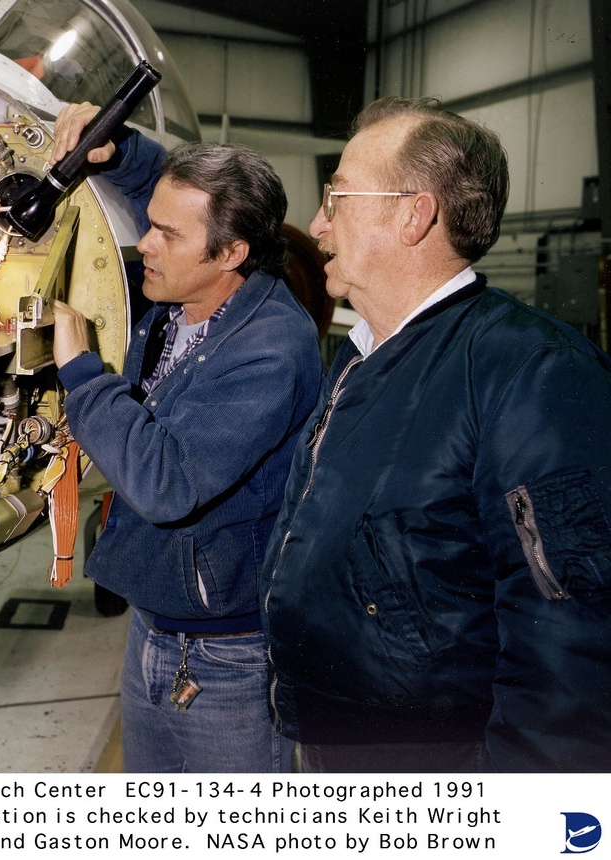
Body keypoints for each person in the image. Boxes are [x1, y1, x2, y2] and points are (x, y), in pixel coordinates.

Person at [263, 95, 611, 773]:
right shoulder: (364, 353)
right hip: (332, 736)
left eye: (337, 197)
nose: (318, 223)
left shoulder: (533, 370)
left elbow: (570, 641)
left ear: (414, 215)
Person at [50, 103, 323, 772]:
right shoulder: (190, 290)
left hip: (229, 654)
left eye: (165, 235)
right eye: (149, 225)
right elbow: (165, 195)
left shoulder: (270, 349)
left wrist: (82, 375)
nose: (145, 243)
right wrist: (121, 151)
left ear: (231, 253)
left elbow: (165, 482)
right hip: (153, 624)